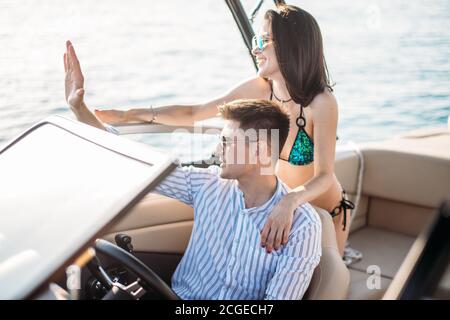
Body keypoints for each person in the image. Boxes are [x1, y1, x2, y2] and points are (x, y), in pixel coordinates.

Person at [64, 4, 353, 256]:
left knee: (327, 282)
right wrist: (127, 115)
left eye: (264, 40)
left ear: (291, 45)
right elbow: (195, 113)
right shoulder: (260, 88)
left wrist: (290, 201)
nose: (255, 47)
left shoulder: (322, 103)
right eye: (256, 38)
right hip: (284, 206)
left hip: (324, 211)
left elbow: (325, 176)